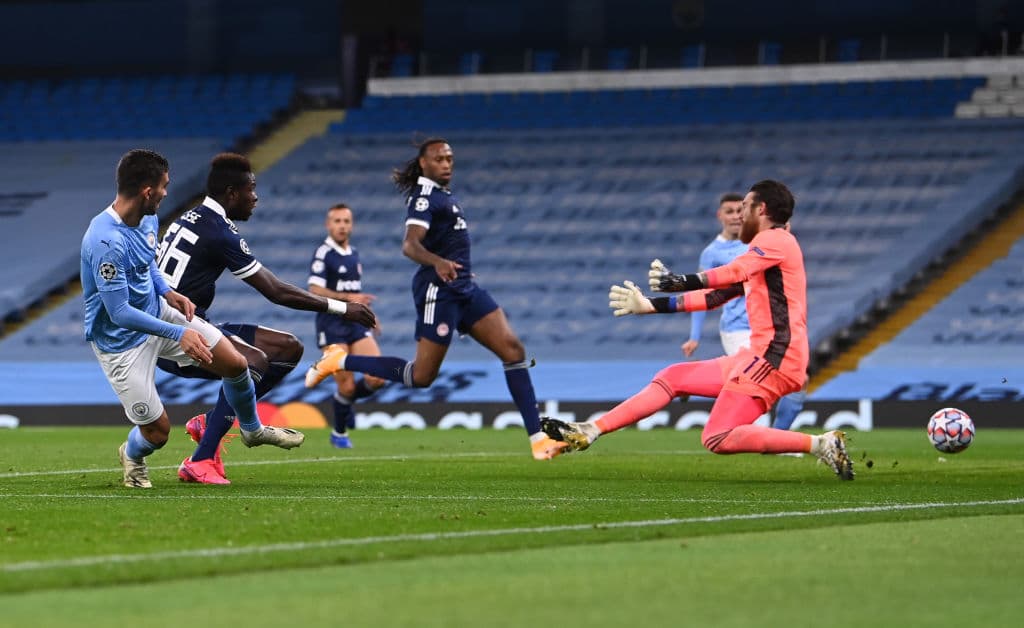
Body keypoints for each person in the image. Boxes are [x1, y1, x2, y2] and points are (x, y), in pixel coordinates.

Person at [541, 180, 854, 480]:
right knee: (673, 377)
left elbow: (732, 271)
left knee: (717, 436)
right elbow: (716, 295)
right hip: (761, 354)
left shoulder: (775, 240)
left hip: (774, 358)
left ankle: (819, 444)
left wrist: (682, 280)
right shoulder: (765, 250)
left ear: (762, 209)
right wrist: (650, 304)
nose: (740, 213)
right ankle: (592, 430)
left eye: (745, 205)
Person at [304, 137, 569, 460]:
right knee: (421, 377)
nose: (446, 164)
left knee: (513, 349)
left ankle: (538, 439)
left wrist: (458, 268)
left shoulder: (444, 195)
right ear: (424, 164)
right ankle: (339, 360)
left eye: (450, 159)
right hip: (439, 291)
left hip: (465, 289)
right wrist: (438, 263)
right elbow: (410, 246)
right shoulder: (424, 197)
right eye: (440, 159)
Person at [82, 149, 303, 489]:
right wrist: (179, 333)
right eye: (164, 186)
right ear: (147, 191)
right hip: (120, 342)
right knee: (157, 434)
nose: (167, 192)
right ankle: (132, 453)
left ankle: (252, 429)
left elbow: (147, 262)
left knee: (236, 363)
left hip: (159, 312)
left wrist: (166, 291)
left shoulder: (147, 218)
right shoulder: (104, 241)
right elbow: (120, 313)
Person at [155, 153, 377, 484]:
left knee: (288, 348)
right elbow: (275, 291)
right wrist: (344, 308)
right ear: (232, 193)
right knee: (250, 362)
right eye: (251, 189)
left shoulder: (190, 216)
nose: (256, 197)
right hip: (174, 335)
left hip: (189, 323)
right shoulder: (219, 232)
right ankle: (200, 461)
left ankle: (212, 422)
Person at [683, 193, 807, 431]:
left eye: (739, 210)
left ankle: (778, 438)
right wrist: (694, 336)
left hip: (770, 327)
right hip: (737, 327)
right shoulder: (711, 253)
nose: (735, 216)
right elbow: (706, 293)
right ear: (719, 216)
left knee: (798, 383)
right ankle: (773, 443)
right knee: (752, 387)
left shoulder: (757, 242)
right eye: (728, 212)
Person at [305, 203, 387, 448]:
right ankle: (339, 433)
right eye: (337, 221)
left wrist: (368, 313)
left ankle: (345, 402)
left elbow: (355, 293)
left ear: (352, 225)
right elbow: (314, 289)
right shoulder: (323, 253)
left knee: (378, 377)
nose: (342, 226)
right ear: (328, 225)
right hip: (332, 324)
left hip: (355, 323)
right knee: (348, 385)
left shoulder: (353, 253)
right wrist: (349, 299)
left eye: (346, 221)